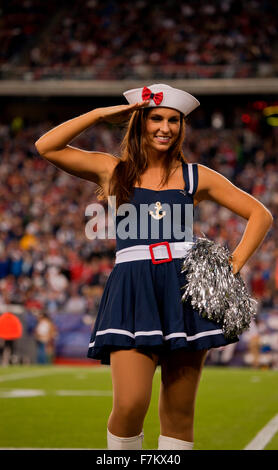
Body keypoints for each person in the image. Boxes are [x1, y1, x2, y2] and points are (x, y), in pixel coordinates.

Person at [35, 84, 273, 450]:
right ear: (139, 122)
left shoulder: (196, 176)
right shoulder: (112, 170)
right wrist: (102, 115)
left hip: (184, 291)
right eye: (156, 118)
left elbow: (260, 213)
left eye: (173, 120)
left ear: (182, 126)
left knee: (179, 414)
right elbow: (46, 146)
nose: (165, 127)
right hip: (132, 287)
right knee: (130, 404)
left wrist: (233, 266)